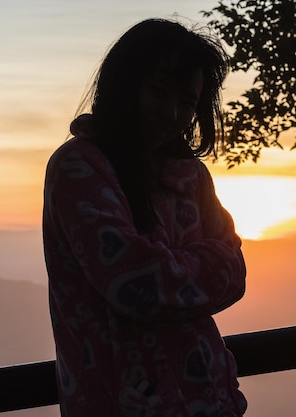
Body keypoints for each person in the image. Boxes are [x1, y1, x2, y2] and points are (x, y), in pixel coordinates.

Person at [42, 18, 247, 417]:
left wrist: (166, 267)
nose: (173, 114)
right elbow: (134, 284)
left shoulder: (191, 175)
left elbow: (236, 272)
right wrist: (205, 262)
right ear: (124, 85)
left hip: (211, 403)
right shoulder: (78, 168)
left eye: (188, 102)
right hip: (121, 403)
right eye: (158, 91)